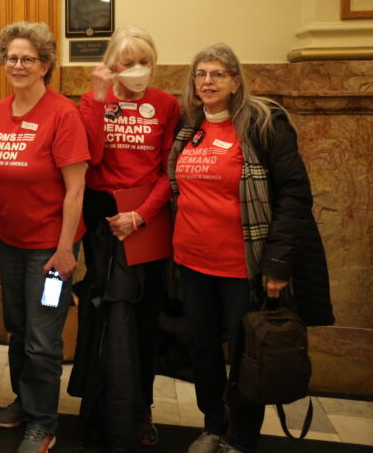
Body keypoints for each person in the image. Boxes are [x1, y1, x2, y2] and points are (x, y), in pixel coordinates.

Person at [170, 44, 334, 453]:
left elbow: (295, 195)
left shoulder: (264, 124)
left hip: (243, 268)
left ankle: (240, 439)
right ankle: (212, 425)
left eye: (217, 74)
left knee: (247, 355)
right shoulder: (190, 127)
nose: (207, 82)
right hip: (192, 263)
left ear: (236, 81)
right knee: (202, 350)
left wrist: (276, 264)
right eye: (200, 74)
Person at [67, 25, 181, 452]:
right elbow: (92, 157)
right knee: (102, 315)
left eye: (144, 62)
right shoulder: (93, 100)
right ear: (111, 65)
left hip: (146, 220)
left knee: (143, 320)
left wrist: (140, 216)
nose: (136, 71)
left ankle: (141, 409)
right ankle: (99, 408)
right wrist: (97, 100)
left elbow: (170, 171)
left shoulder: (167, 105)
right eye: (127, 62)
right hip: (101, 219)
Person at [0, 21, 89, 453]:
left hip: (50, 251)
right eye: (12, 57)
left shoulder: (63, 114)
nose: (19, 64)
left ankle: (43, 424)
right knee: (18, 329)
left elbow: (76, 188)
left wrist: (65, 250)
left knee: (44, 336)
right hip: (8, 243)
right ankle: (25, 402)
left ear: (45, 65)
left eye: (29, 58)